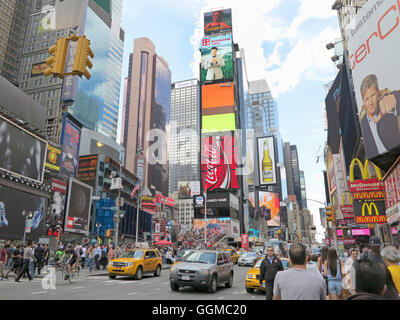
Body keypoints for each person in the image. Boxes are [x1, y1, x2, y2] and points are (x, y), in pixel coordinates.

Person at [359, 74, 400, 158]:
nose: (370, 102)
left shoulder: (385, 104)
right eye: (366, 99)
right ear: (363, 101)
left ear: (378, 92)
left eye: (372, 95)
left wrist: (395, 99)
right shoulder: (362, 124)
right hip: (381, 167)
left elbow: (395, 97)